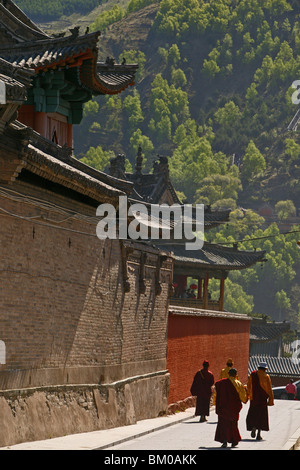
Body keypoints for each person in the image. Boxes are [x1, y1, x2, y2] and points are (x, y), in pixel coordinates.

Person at [214, 368, 248, 448]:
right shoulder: (238, 383)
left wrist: (215, 403)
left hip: (223, 408)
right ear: (236, 375)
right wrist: (245, 399)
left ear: (228, 374)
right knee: (233, 425)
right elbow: (243, 397)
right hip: (233, 408)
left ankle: (225, 440)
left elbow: (216, 393)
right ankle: (233, 441)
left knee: (223, 424)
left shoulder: (221, 383)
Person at [246, 361, 274, 441]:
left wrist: (248, 395)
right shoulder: (266, 376)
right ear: (265, 369)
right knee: (261, 416)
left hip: (254, 399)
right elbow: (269, 389)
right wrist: (270, 400)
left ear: (258, 368)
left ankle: (253, 427)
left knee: (253, 414)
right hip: (262, 400)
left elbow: (249, 385)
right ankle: (258, 434)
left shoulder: (253, 374)